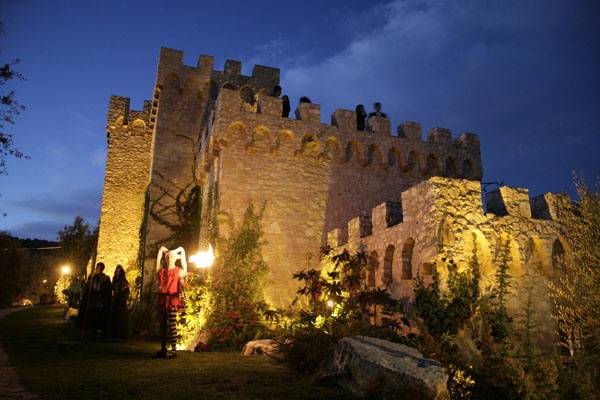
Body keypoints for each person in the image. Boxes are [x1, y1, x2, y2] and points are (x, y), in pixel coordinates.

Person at [156, 246, 187, 358]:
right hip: (163, 300)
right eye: (167, 257)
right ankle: (163, 349)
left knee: (172, 325)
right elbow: (160, 250)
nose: (169, 259)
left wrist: (183, 284)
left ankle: (173, 351)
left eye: (171, 257)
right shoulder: (161, 271)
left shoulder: (179, 271)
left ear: (175, 259)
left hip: (172, 300)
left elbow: (183, 285)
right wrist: (167, 251)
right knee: (163, 325)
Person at [83, 262, 112, 340]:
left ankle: (98, 333)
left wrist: (104, 300)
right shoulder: (92, 277)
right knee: (92, 318)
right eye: (97, 267)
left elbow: (107, 291)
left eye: (99, 268)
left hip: (100, 302)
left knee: (99, 318)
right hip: (92, 301)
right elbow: (88, 288)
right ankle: (91, 333)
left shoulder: (105, 278)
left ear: (102, 269)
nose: (97, 269)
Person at [110, 265, 130, 342]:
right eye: (116, 271)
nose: (117, 273)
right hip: (115, 301)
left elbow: (126, 291)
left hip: (121, 302)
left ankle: (120, 336)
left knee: (120, 319)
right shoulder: (115, 279)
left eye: (119, 271)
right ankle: (113, 335)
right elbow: (112, 288)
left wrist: (122, 296)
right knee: (114, 318)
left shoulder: (124, 281)